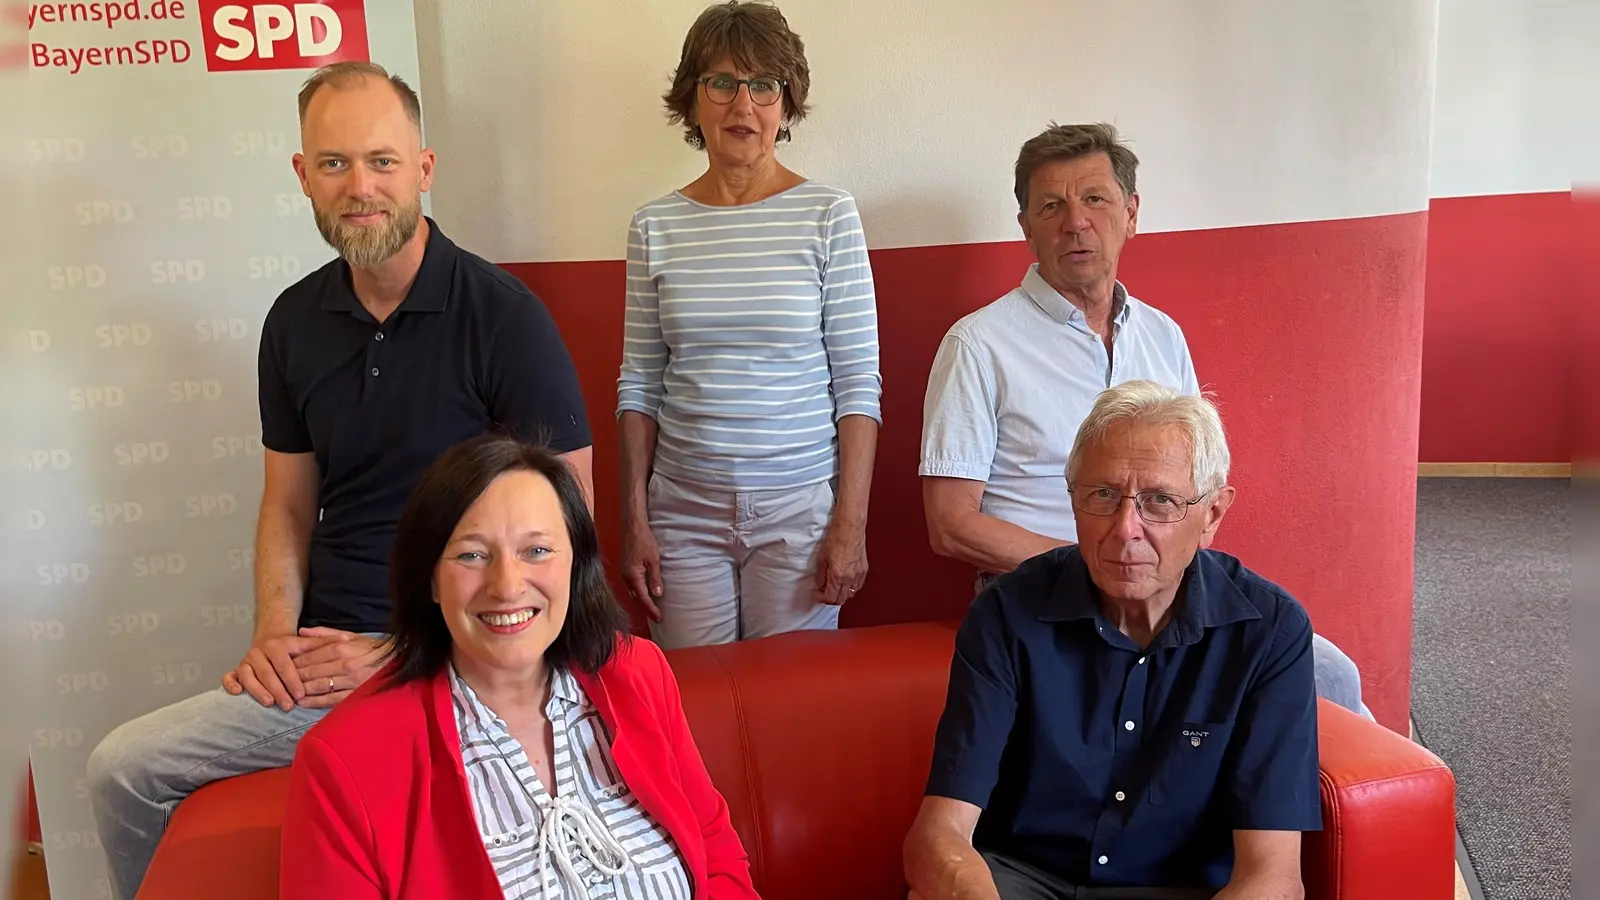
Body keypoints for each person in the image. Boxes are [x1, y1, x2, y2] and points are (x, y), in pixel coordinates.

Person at [85, 62, 593, 900]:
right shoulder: (291, 322)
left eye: (382, 162)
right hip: (322, 659)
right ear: (302, 176)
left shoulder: (506, 319)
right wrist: (275, 640)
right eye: (334, 164)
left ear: (423, 170)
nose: (360, 187)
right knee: (121, 770)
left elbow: (563, 540)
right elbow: (286, 506)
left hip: (463, 656)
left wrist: (409, 656)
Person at [918, 121, 1369, 718]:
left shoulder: (1162, 335)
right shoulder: (978, 345)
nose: (1075, 222)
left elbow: (1197, 484)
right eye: (1050, 206)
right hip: (1048, 595)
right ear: (1026, 227)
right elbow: (950, 525)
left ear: (1131, 214)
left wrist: (1168, 566)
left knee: (1331, 674)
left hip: (1168, 584)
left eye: (1095, 200)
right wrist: (1097, 564)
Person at [279, 434, 760, 899]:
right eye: (472, 555)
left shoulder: (637, 672)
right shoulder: (345, 759)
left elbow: (716, 855)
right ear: (429, 579)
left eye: (537, 551)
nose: (507, 586)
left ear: (576, 563)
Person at [904, 380, 1322, 900]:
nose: (1126, 528)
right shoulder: (1006, 614)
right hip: (1021, 881)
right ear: (1074, 499)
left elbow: (1273, 879)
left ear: (1212, 514)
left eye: (1160, 501)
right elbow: (939, 835)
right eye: (1103, 494)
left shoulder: (1269, 632)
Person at [616, 0, 883, 650]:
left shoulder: (828, 214)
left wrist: (850, 524)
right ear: (694, 98)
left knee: (792, 707)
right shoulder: (655, 226)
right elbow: (640, 384)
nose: (744, 104)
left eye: (765, 85)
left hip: (798, 513)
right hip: (682, 513)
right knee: (696, 706)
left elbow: (857, 383)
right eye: (723, 83)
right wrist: (635, 518)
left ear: (787, 104)